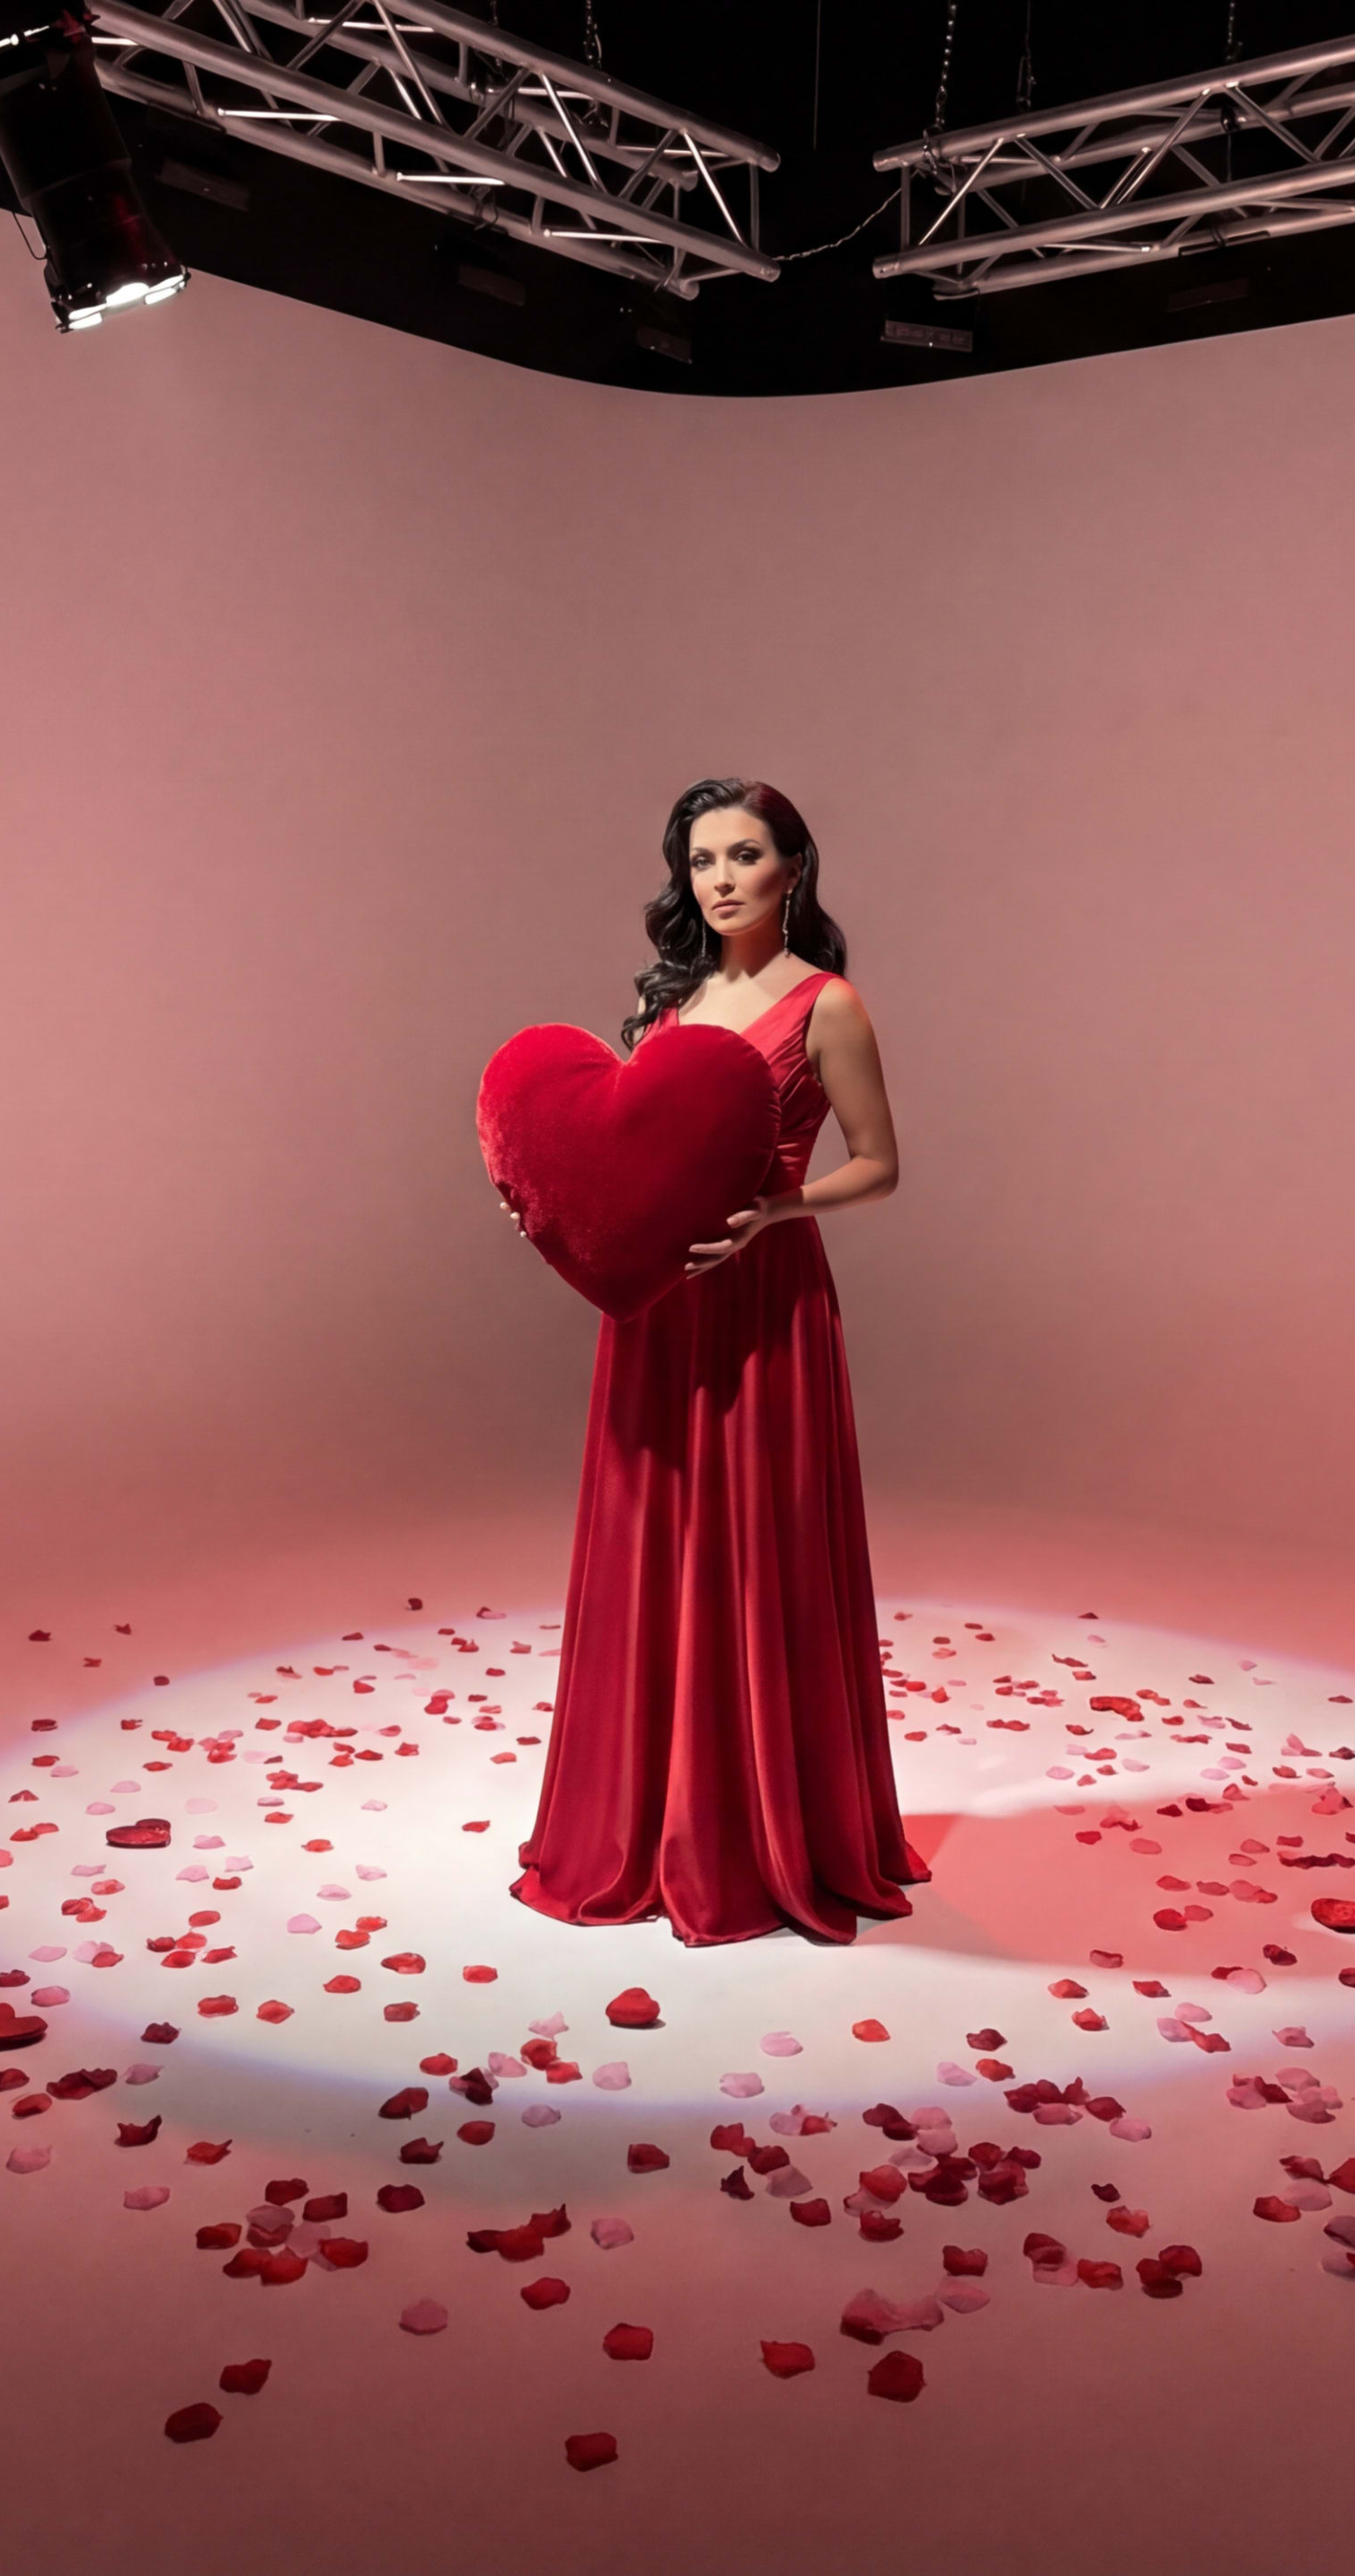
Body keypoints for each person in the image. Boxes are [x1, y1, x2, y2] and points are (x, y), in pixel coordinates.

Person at [504, 778, 931, 1944]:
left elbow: (880, 1164)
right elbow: (611, 1152)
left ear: (795, 868)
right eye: (702, 860)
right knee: (657, 1540)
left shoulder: (827, 1005)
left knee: (759, 1551)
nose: (723, 878)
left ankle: (761, 1836)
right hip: (655, 1315)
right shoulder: (669, 1001)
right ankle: (645, 1820)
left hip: (765, 1297)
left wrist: (776, 1218)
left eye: (746, 854)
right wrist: (541, 1200)